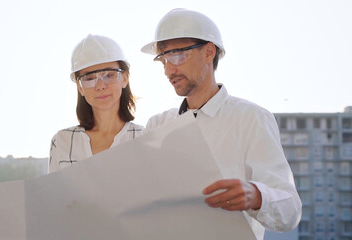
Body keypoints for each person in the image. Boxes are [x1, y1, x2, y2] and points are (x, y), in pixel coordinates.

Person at [141, 8, 301, 240]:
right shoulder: (157, 125)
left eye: (177, 54)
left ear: (209, 52)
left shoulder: (251, 119)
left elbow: (291, 211)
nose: (168, 70)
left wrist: (257, 196)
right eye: (163, 58)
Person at [49, 34, 143, 173]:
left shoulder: (144, 138)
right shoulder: (62, 142)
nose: (100, 86)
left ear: (124, 78)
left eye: (109, 75)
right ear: (80, 87)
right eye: (89, 78)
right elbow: (53, 194)